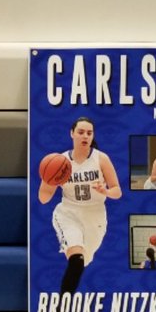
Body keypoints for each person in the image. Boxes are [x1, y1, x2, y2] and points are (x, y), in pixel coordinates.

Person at [37, 115, 121, 295]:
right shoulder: (60, 161)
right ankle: (63, 306)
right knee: (76, 260)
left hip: (96, 216)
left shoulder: (101, 158)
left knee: (83, 262)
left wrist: (105, 191)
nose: (85, 136)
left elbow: (117, 190)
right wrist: (49, 180)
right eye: (81, 132)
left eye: (89, 133)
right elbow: (43, 198)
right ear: (72, 134)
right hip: (69, 213)